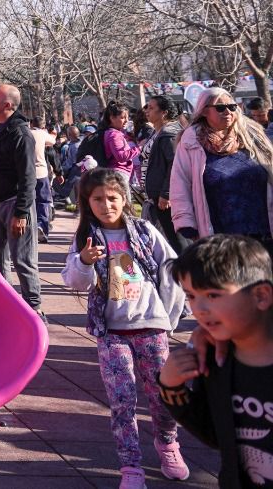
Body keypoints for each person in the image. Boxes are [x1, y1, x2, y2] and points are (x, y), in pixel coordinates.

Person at [60, 169, 188, 488]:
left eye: (113, 198)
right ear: (88, 203)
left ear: (124, 199)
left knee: (162, 396)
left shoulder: (143, 231)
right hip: (112, 331)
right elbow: (74, 281)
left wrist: (168, 319)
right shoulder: (85, 238)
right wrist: (85, 262)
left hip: (151, 327)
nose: (107, 205)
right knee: (122, 399)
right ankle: (130, 465)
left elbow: (171, 269)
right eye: (98, 199)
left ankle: (168, 443)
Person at [159, 235, 273, 488]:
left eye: (212, 295)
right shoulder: (215, 358)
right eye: (191, 295)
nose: (199, 308)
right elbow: (215, 434)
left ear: (261, 296)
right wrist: (170, 389)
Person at [169, 86, 273, 247]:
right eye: (220, 108)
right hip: (220, 237)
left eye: (232, 107)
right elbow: (179, 183)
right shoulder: (191, 142)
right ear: (204, 111)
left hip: (262, 232)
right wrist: (186, 223)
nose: (228, 112)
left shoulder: (253, 136)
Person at [0, 82, 43, 316]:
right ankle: (6, 307)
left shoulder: (20, 133)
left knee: (23, 262)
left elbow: (28, 176)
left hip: (14, 205)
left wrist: (21, 212)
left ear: (6, 104)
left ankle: (35, 311)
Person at [142, 97, 183, 251]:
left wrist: (166, 193)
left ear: (164, 113)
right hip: (156, 196)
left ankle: (186, 270)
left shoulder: (169, 134)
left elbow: (174, 165)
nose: (147, 110)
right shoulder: (157, 131)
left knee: (175, 238)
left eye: (151, 108)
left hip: (165, 198)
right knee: (165, 237)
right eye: (147, 107)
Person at [31, 117, 57, 241]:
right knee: (44, 201)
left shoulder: (25, 133)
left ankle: (30, 228)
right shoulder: (42, 134)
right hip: (41, 172)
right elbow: (52, 141)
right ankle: (42, 226)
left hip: (27, 174)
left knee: (30, 201)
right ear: (43, 126)